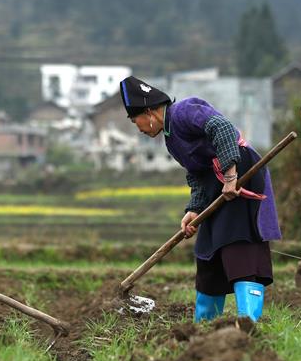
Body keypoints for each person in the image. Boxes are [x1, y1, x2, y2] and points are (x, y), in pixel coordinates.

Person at [119, 76, 281, 322]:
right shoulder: (171, 140)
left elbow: (223, 128)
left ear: (149, 112)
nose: (138, 128)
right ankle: (203, 325)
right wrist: (194, 209)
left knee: (238, 244)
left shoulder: (183, 111)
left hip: (241, 176)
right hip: (218, 186)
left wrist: (230, 175)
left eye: (135, 121)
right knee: (208, 252)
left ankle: (248, 323)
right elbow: (196, 174)